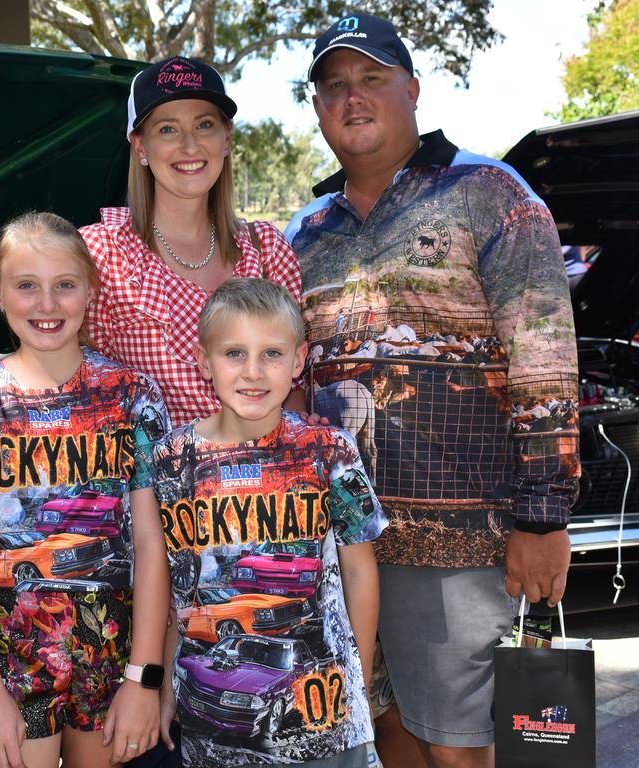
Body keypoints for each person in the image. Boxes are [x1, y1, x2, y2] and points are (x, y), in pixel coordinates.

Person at [286, 13, 580, 768]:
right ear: (317, 109)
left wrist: (544, 517)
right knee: (386, 738)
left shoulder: (489, 194)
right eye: (333, 87)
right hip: (344, 541)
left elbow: (542, 359)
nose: (352, 98)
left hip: (461, 545)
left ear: (413, 89)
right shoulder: (304, 232)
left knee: (462, 750)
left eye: (372, 79)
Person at [0, 211, 172, 768]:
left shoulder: (132, 397)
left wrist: (145, 678)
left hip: (112, 652)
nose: (47, 304)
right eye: (26, 286)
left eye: (65, 285)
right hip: (13, 657)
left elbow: (153, 545)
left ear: (91, 289)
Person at [152, 278, 387, 768]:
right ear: (203, 361)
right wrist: (166, 683)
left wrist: (357, 681)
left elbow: (360, 572)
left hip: (324, 724)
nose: (253, 372)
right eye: (234, 353)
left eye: (272, 354)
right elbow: (180, 590)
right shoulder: (172, 460)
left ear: (298, 361)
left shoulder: (331, 450)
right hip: (211, 722)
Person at [81, 55, 305, 429]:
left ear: (227, 138)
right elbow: (79, 393)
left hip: (259, 482)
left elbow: (294, 389)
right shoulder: (101, 254)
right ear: (139, 147)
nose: (190, 145)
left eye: (204, 125)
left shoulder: (267, 250)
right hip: (152, 485)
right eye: (168, 129)